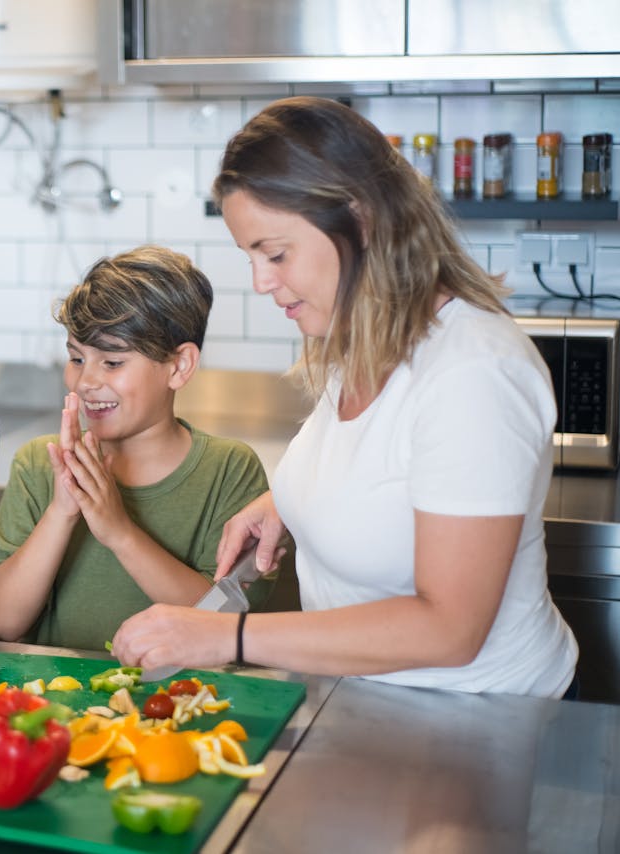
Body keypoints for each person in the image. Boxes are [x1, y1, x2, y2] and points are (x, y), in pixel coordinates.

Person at [111, 97, 578, 697]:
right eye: (250, 256)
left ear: (360, 222)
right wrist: (291, 502)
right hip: (371, 704)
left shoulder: (474, 374)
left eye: (275, 253)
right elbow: (374, 466)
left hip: (483, 720)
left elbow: (450, 628)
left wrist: (223, 636)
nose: (261, 281)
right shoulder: (362, 336)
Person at [0, 246, 272, 651]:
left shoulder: (228, 470)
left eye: (112, 362)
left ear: (179, 366)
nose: (85, 381)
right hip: (59, 701)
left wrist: (118, 531)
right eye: (76, 358)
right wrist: (62, 512)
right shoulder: (39, 463)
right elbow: (5, 622)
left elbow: (222, 621)